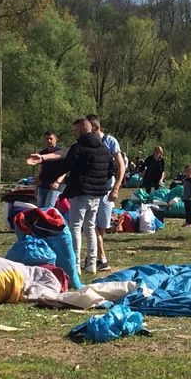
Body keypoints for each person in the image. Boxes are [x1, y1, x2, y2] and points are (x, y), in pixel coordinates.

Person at [30, 118, 115, 275]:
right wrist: (100, 181)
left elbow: (64, 166)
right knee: (90, 227)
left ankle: (75, 265)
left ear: (82, 130)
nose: (73, 134)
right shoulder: (103, 148)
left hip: (81, 192)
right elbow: (112, 168)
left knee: (75, 227)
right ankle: (91, 264)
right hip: (97, 194)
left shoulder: (79, 148)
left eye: (75, 131)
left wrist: (44, 177)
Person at [86, 114, 126, 272]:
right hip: (91, 188)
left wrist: (116, 187)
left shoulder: (110, 141)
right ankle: (101, 257)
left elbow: (121, 166)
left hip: (107, 188)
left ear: (95, 128)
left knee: (101, 226)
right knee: (91, 224)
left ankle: (93, 255)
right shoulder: (87, 143)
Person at [36, 131, 66, 208]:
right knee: (40, 209)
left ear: (56, 139)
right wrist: (37, 183)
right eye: (46, 139)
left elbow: (65, 170)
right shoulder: (42, 153)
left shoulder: (60, 153)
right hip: (43, 185)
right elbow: (41, 168)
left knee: (49, 208)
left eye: (51, 139)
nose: (49, 141)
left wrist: (57, 182)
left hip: (54, 186)